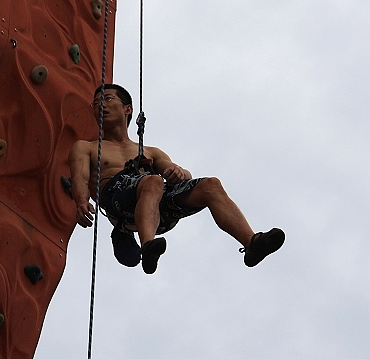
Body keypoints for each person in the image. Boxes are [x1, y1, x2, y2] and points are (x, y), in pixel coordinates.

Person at [69, 84, 285, 274]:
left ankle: (251, 243)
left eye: (108, 99)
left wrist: (179, 173)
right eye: (96, 103)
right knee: (153, 181)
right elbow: (80, 178)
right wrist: (81, 202)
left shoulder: (151, 151)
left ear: (128, 109)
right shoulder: (87, 148)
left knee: (211, 185)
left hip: (156, 206)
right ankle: (147, 246)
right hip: (118, 201)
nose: (101, 106)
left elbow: (182, 176)